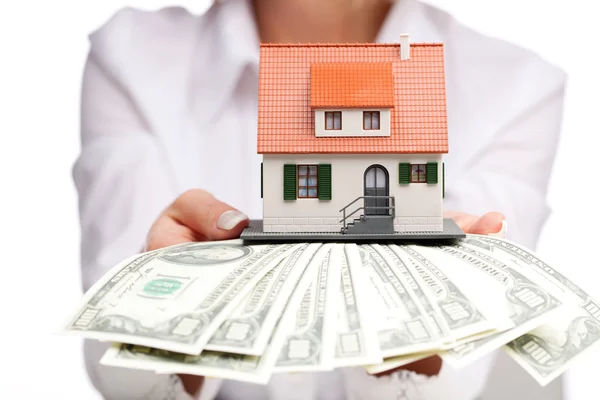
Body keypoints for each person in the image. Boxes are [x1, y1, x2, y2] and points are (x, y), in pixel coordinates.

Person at [72, 0, 566, 399]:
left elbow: (450, 378)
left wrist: (416, 329)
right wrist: (162, 327)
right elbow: (119, 370)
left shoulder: (518, 87)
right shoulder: (133, 59)